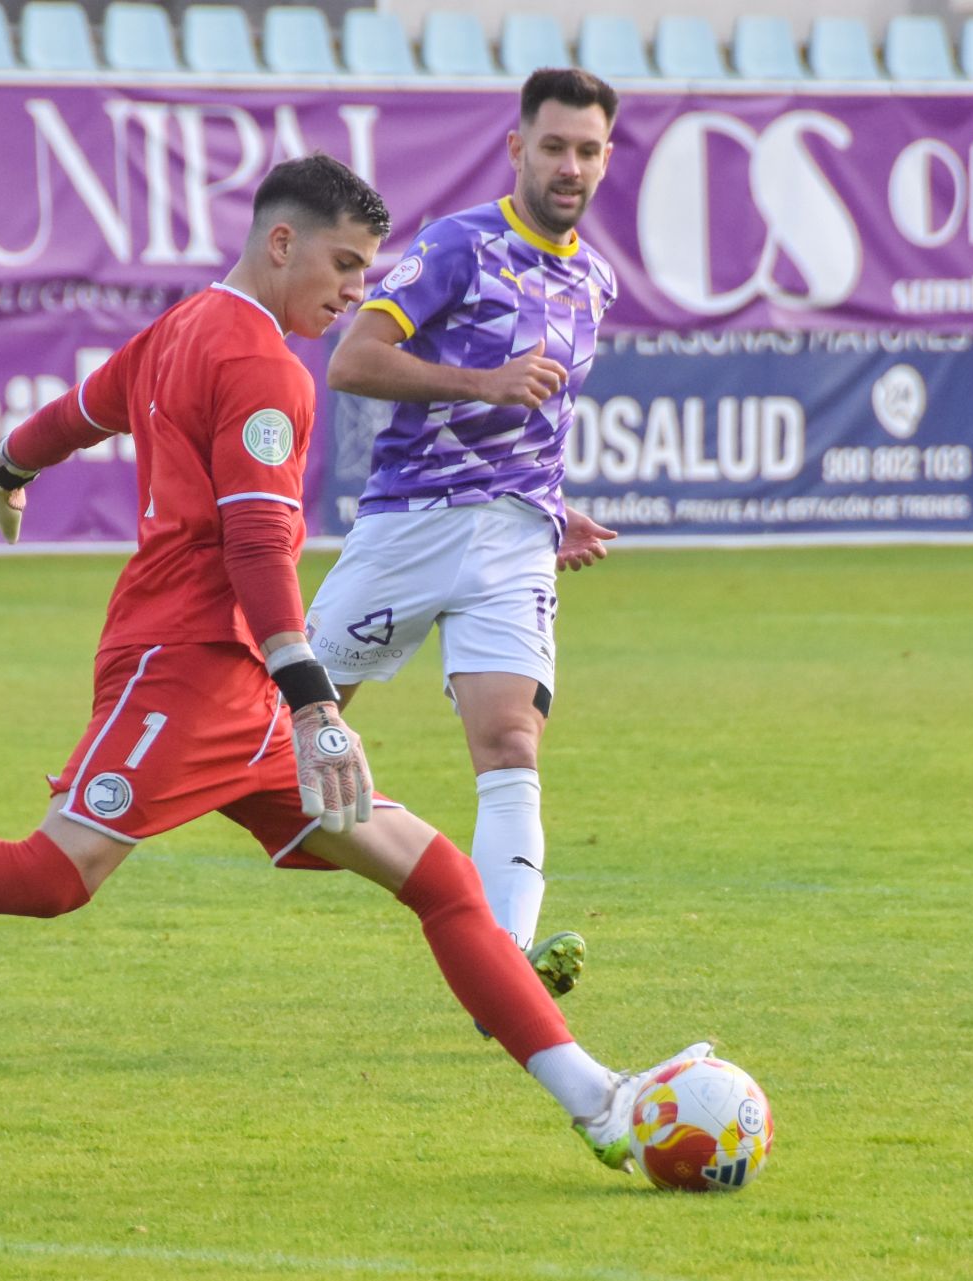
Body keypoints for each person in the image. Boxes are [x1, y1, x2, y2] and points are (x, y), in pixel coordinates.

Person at [0, 154, 700, 1175]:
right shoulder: (260, 367)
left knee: (436, 878)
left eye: (366, 272)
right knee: (50, 875)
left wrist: (9, 466)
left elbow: (83, 409)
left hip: (232, 676)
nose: (355, 291)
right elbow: (253, 549)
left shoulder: (184, 326)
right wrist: (315, 705)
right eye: (342, 266)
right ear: (280, 241)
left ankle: (598, 1102)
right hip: (186, 668)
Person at [308, 69, 622, 1005]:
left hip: (513, 540)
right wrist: (484, 382)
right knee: (274, 723)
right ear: (518, 148)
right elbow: (351, 360)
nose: (570, 165)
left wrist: (553, 508)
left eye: (589, 149)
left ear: (607, 160)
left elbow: (540, 427)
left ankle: (504, 970)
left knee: (510, 740)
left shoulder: (596, 282)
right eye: (555, 145)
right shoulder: (460, 245)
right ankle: (122, 780)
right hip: (414, 526)